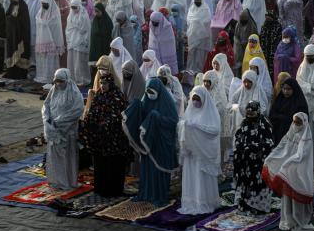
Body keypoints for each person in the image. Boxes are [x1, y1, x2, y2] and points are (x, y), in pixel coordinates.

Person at [123, 77, 179, 206]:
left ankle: (159, 195)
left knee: (158, 172)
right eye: (147, 91)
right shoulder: (146, 100)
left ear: (159, 90)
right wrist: (136, 107)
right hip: (149, 144)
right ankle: (146, 194)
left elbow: (173, 121)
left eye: (152, 92)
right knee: (148, 170)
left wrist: (157, 118)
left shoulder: (167, 102)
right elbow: (142, 117)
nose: (149, 94)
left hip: (161, 143)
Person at [80, 69, 130, 196]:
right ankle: (100, 188)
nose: (102, 86)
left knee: (113, 166)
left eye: (105, 84)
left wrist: (106, 124)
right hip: (100, 140)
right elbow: (92, 112)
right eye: (101, 83)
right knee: (100, 165)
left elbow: (121, 116)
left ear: (111, 84)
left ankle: (113, 190)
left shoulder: (117, 97)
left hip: (114, 141)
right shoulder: (98, 96)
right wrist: (89, 122)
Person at [262, 112, 314, 231]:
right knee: (287, 196)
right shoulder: (292, 130)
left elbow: (302, 155)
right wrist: (271, 156)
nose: (296, 124)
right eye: (294, 122)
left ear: (304, 122)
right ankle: (288, 220)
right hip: (288, 169)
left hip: (299, 171)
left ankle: (299, 220)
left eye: (298, 122)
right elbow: (282, 145)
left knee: (297, 196)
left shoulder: (306, 135)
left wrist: (288, 162)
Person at [178, 85, 222, 215]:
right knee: (192, 178)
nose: (195, 102)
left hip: (203, 155)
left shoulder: (210, 112)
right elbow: (183, 127)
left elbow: (215, 131)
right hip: (191, 154)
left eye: (198, 99)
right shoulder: (189, 111)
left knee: (201, 179)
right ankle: (191, 202)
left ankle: (204, 202)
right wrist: (183, 125)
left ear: (204, 99)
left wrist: (197, 127)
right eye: (194, 99)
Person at [42, 68, 84, 189]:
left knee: (67, 157)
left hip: (68, 131)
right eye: (56, 81)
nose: (59, 84)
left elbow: (76, 111)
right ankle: (56, 180)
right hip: (54, 130)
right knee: (55, 157)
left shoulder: (74, 93)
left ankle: (68, 181)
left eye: (61, 81)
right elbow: (46, 106)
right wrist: (47, 120)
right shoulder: (54, 90)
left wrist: (59, 122)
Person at [233, 100, 275, 214]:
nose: (250, 116)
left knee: (258, 183)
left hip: (259, 162)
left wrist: (253, 147)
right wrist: (241, 147)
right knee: (245, 183)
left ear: (258, 112)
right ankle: (246, 203)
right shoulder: (244, 123)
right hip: (245, 161)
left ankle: (259, 206)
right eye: (248, 114)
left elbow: (269, 143)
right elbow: (238, 138)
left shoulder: (264, 124)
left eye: (252, 114)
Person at [269, 77, 308, 146]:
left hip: (293, 135)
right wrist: (282, 118)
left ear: (294, 89)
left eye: (289, 89)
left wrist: (287, 119)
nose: (286, 91)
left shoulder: (299, 102)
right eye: (284, 89)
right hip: (278, 133)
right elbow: (272, 114)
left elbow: (302, 119)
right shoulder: (280, 99)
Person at [34, 0, 64, 84]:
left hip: (51, 42)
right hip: (41, 40)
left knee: (49, 60)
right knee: (42, 59)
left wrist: (57, 44)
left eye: (45, 4)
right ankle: (41, 76)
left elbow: (57, 30)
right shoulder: (41, 11)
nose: (44, 5)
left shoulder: (55, 13)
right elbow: (38, 21)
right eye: (42, 3)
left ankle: (50, 77)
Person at [65, 0, 91, 87]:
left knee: (79, 63)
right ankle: (73, 79)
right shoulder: (70, 15)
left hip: (80, 42)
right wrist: (69, 39)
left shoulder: (84, 16)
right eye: (72, 7)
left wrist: (83, 40)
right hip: (72, 41)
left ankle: (82, 80)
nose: (73, 9)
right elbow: (68, 28)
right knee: (72, 62)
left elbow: (86, 29)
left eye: (75, 7)